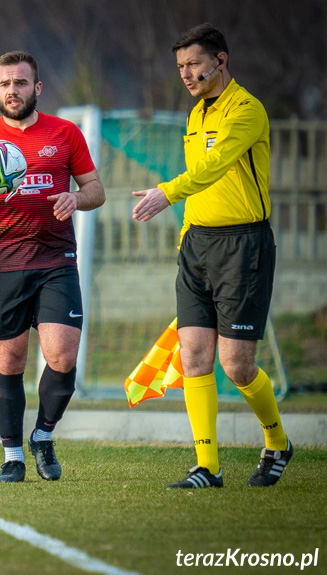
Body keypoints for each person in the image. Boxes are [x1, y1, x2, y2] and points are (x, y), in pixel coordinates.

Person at [132, 23, 291, 489]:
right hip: (196, 245)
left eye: (194, 64)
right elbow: (201, 180)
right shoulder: (195, 113)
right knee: (194, 354)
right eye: (180, 67)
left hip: (243, 245)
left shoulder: (247, 110)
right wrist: (185, 235)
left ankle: (277, 441)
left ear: (221, 60)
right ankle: (208, 467)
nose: (186, 74)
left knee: (236, 364)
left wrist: (167, 193)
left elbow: (211, 169)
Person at [0, 51, 105, 483]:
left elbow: (96, 190)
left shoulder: (65, 133)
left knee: (62, 354)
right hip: (3, 263)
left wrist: (76, 197)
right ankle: (13, 457)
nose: (12, 91)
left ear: (36, 88)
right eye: (5, 84)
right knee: (11, 359)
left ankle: (43, 433)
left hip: (56, 259)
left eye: (21, 83)